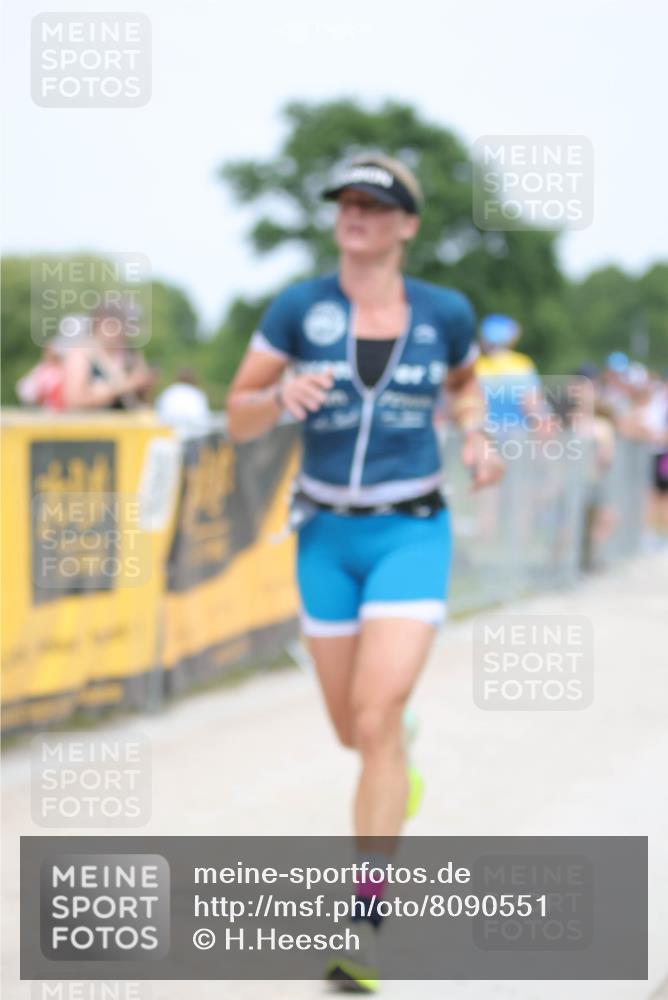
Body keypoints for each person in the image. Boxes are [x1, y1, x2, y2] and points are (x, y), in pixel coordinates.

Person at [225, 152, 503, 992]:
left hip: (409, 532)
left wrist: (477, 433)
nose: (356, 213)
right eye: (345, 200)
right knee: (354, 731)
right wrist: (276, 401)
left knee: (376, 717)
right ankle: (397, 754)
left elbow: (465, 387)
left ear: (406, 225)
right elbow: (237, 415)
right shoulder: (299, 308)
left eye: (375, 204)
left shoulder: (445, 311)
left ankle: (364, 926)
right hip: (324, 539)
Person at [60, 299, 157, 410]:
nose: (126, 331)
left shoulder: (131, 354)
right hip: (92, 420)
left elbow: (143, 400)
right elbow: (74, 402)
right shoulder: (80, 355)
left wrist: (144, 386)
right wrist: (124, 386)